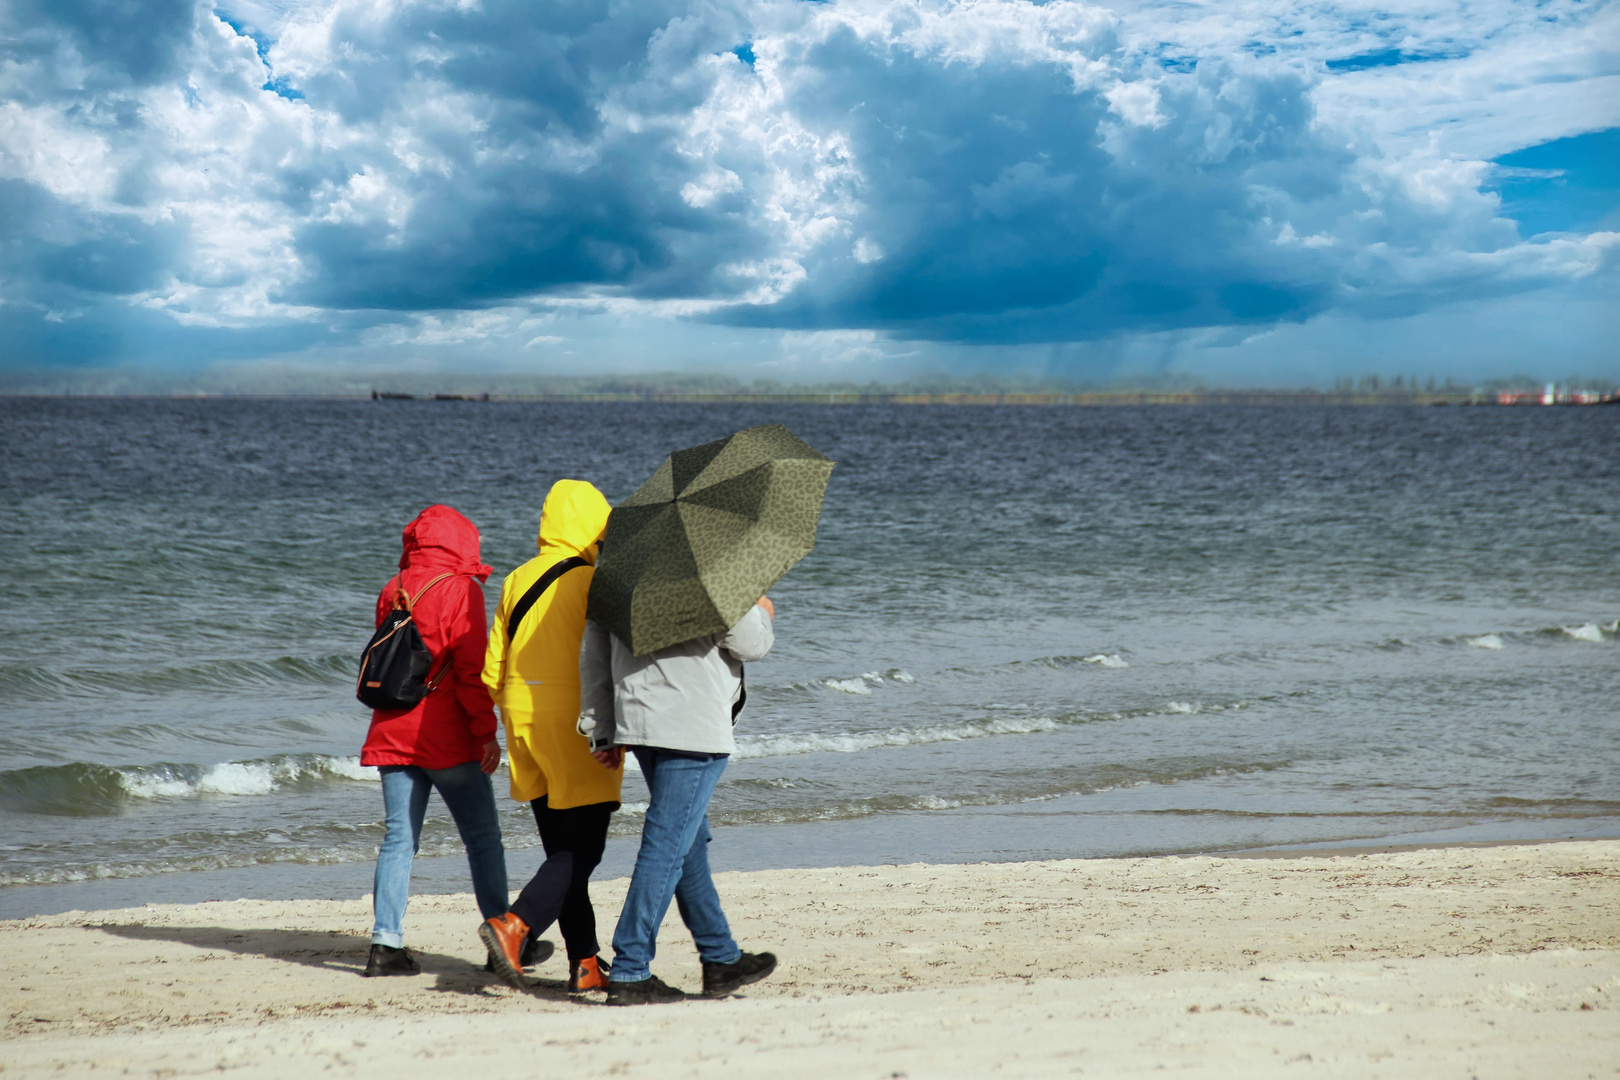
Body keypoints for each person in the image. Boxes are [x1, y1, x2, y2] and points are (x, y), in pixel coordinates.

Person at [577, 594, 779, 1005]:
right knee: (668, 841)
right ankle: (632, 967)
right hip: (692, 723)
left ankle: (720, 957)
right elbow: (749, 645)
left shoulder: (622, 571)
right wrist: (761, 610)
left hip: (639, 717)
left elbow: (595, 651)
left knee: (685, 840)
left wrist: (600, 726)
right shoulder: (707, 571)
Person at [478, 480, 623, 993]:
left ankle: (585, 964)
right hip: (573, 713)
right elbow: (610, 658)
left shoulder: (518, 577)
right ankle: (513, 926)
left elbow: (493, 663)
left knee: (562, 848)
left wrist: (499, 717)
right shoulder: (593, 580)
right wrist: (617, 726)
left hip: (520, 713)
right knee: (583, 850)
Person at [359, 504, 510, 977]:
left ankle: (386, 944)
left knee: (399, 839)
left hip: (392, 725)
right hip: (444, 734)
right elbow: (469, 672)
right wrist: (486, 733)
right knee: (483, 839)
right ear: (463, 541)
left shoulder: (394, 587)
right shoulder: (461, 589)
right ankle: (502, 942)